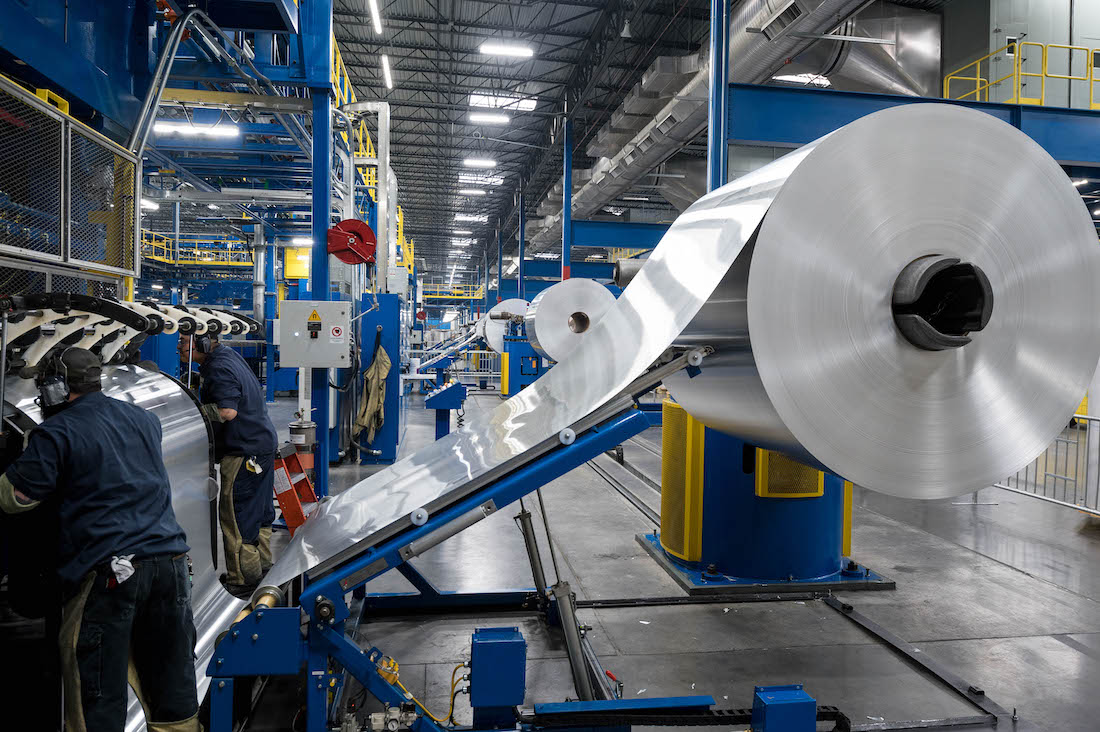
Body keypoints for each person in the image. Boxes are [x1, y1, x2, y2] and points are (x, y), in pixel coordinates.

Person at [0, 348, 199, 731]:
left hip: (110, 577)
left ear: (57, 386)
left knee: (96, 692)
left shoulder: (57, 432)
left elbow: (17, 497)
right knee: (173, 689)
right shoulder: (144, 419)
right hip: (170, 565)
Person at [179, 331, 277, 597]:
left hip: (243, 451)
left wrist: (193, 410)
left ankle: (242, 580)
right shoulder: (228, 356)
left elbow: (227, 411)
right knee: (259, 514)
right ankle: (261, 568)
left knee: (236, 517)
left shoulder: (218, 367)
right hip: (261, 446)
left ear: (203, 343)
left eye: (183, 342)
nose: (178, 347)